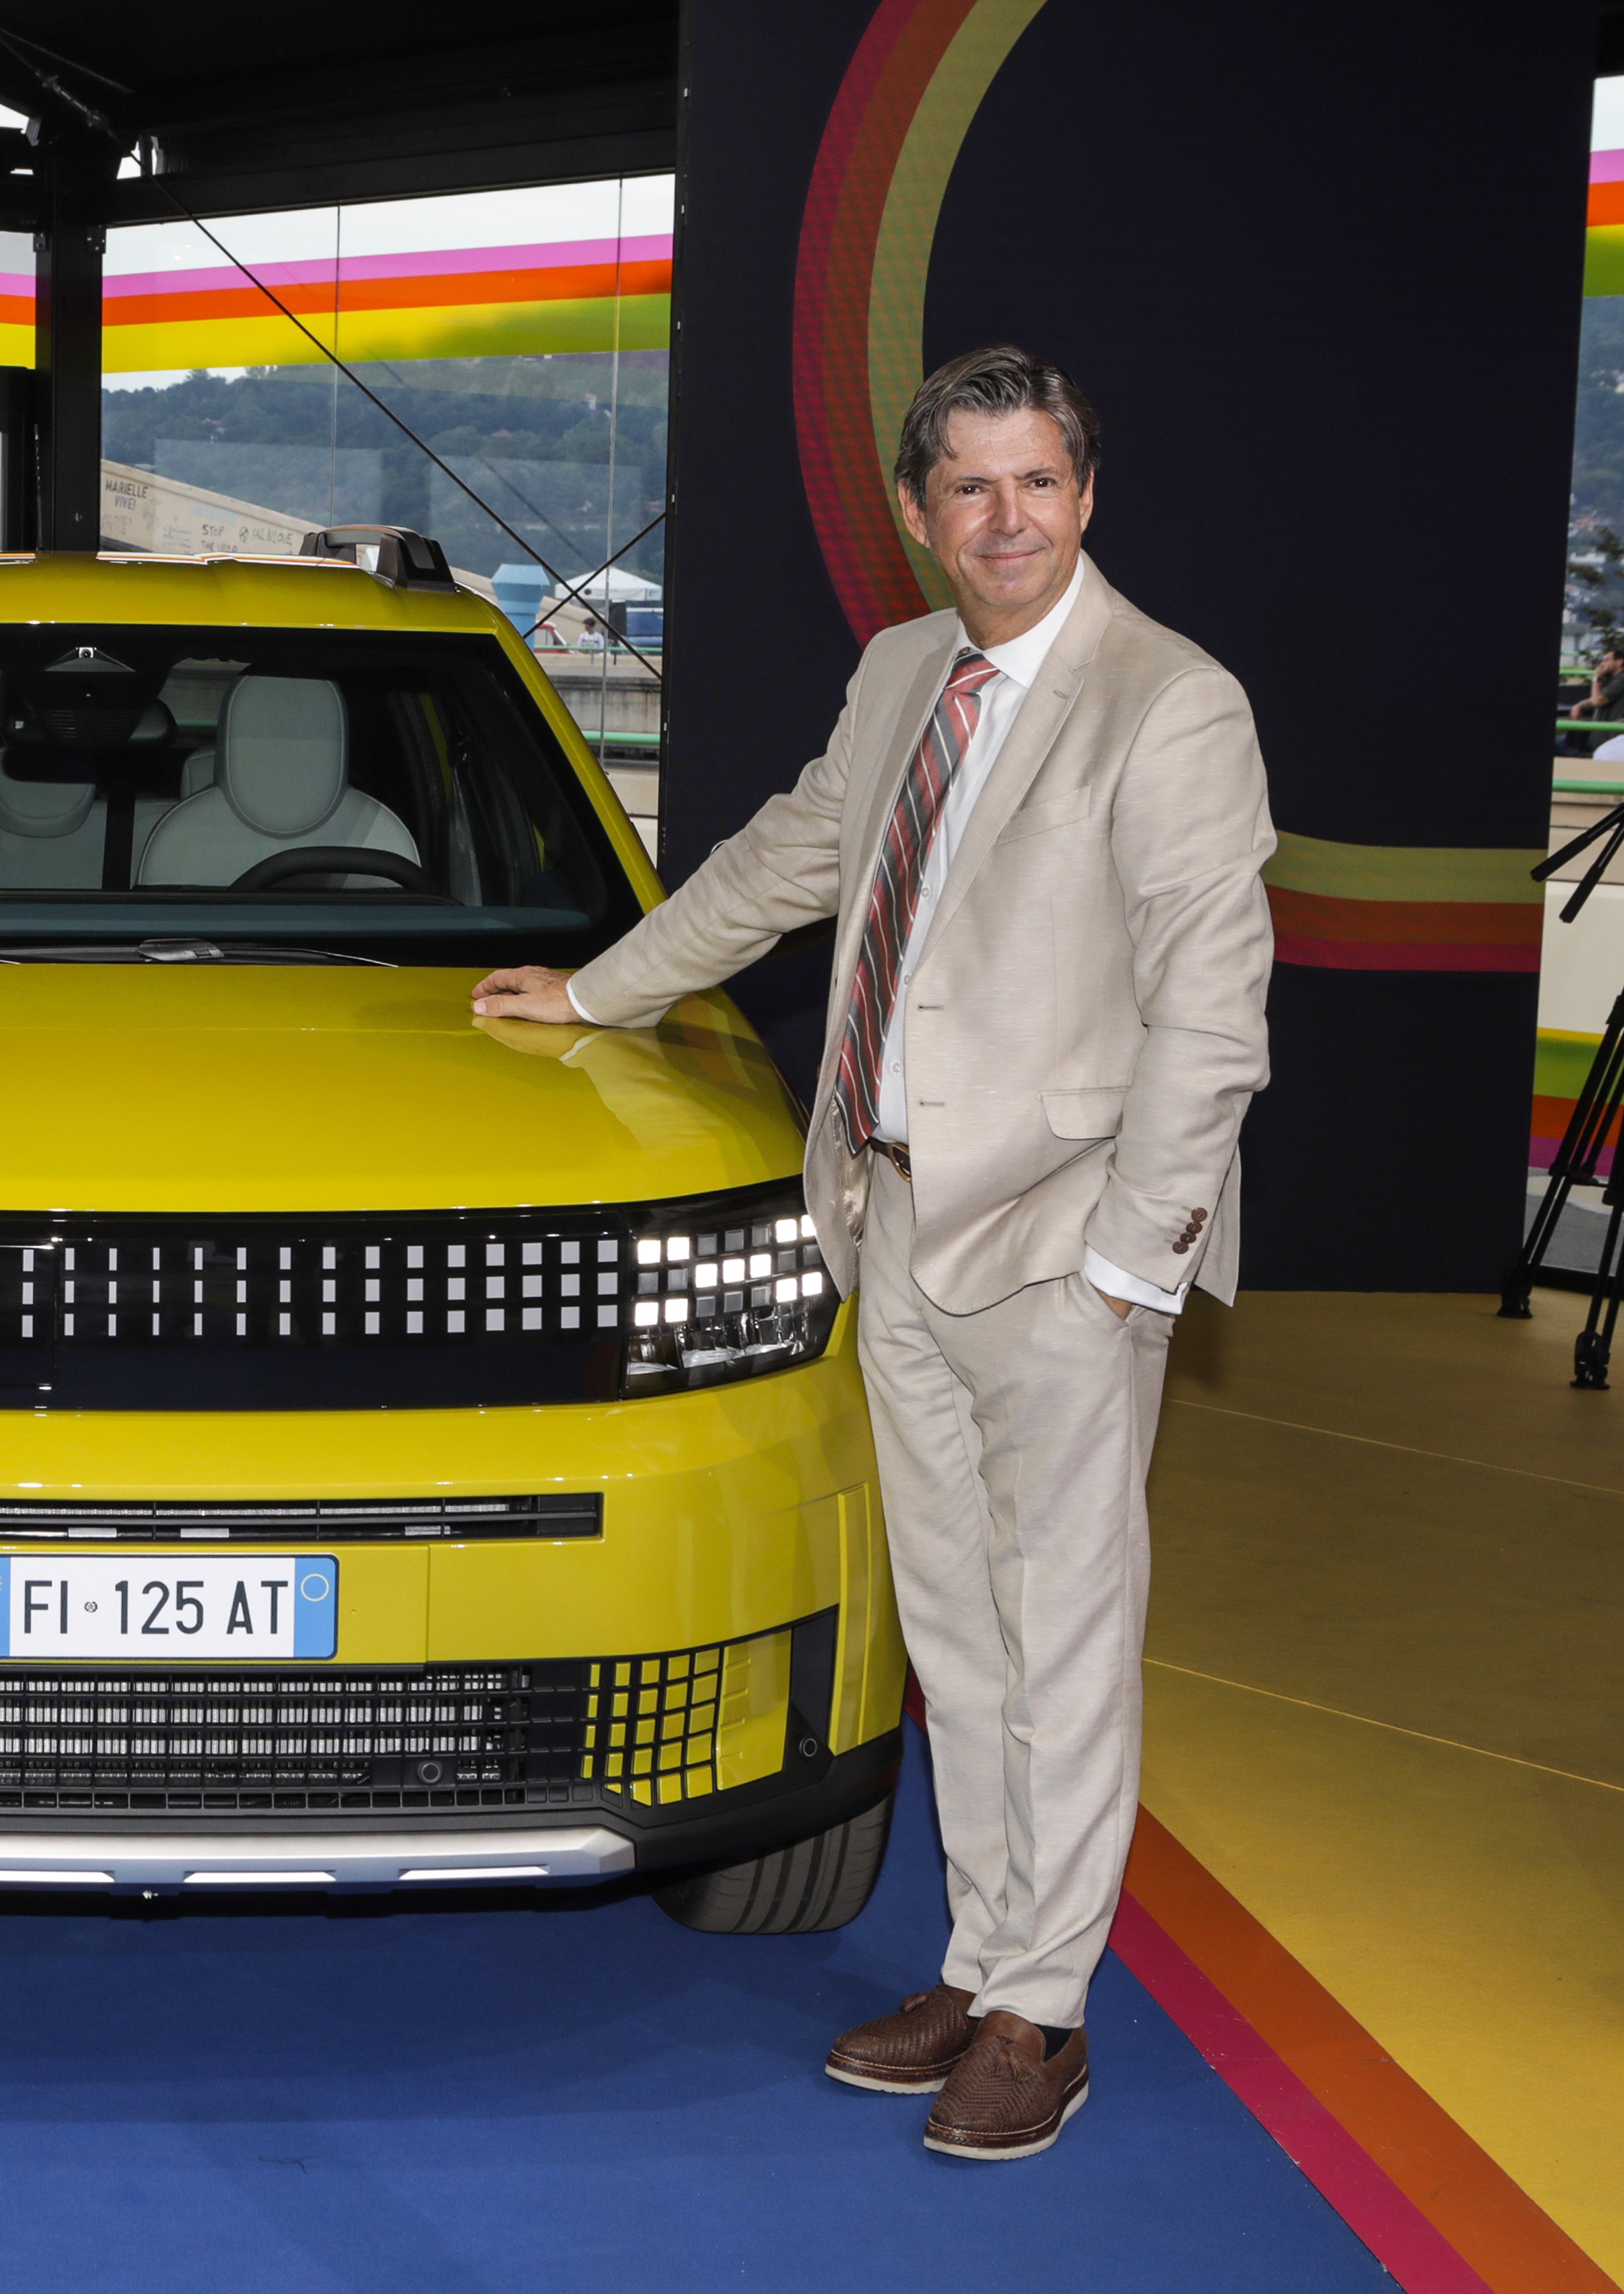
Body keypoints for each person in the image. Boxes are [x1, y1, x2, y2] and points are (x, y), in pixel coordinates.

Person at [474, 346, 1271, 2162]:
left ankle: (1044, 2012)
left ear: (1086, 495)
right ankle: (980, 1961)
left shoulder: (1169, 702)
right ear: (918, 513)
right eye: (968, 486)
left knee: (1063, 1637)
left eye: (1037, 481)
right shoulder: (906, 668)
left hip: (1064, 1244)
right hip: (890, 1215)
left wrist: (1128, 1267)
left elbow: (1211, 1018)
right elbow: (789, 859)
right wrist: (598, 990)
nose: (1006, 518)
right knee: (957, 1633)